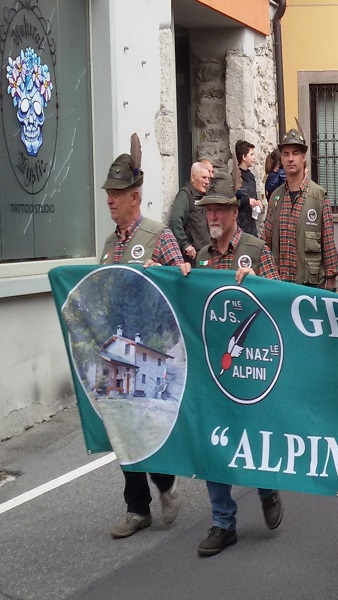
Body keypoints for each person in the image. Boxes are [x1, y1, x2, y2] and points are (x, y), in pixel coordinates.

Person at [100, 134, 189, 539]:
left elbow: (182, 285)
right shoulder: (107, 246)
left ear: (134, 197)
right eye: (108, 194)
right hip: (116, 352)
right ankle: (137, 509)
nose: (110, 200)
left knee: (146, 428)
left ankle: (166, 484)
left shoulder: (158, 235)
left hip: (150, 350)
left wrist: (165, 273)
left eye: (116, 194)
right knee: (123, 430)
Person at [192, 173, 284, 557]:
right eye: (207, 208)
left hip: (250, 363)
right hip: (215, 365)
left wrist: (257, 282)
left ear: (234, 211)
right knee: (214, 439)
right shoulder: (200, 257)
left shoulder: (256, 249)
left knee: (250, 434)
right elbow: (193, 309)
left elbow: (278, 300)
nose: (211, 214)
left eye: (218, 208)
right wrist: (182, 279)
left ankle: (266, 487)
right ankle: (222, 522)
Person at [263, 126, 338, 290]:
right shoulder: (275, 198)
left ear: (303, 157)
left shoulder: (319, 196)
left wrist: (331, 281)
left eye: (295, 153)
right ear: (281, 159)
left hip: (309, 286)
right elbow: (266, 241)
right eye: (286, 154)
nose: (290, 158)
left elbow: (328, 241)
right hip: (279, 284)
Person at [168, 161, 211, 264]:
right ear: (193, 178)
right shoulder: (185, 195)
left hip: (206, 253)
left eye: (208, 179)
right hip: (193, 256)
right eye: (204, 178)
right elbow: (175, 220)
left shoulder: (204, 197)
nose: (207, 182)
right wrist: (185, 245)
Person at [235, 140, 260, 236]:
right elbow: (233, 200)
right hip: (240, 225)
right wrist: (247, 200)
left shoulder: (251, 176)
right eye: (252, 154)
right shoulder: (235, 177)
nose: (254, 158)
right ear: (244, 157)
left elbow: (254, 195)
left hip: (251, 224)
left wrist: (258, 202)